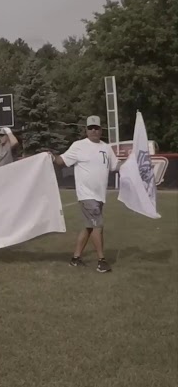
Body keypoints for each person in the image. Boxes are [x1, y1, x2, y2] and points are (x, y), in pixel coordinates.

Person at [51, 116, 118, 273]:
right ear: (86, 130)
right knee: (98, 226)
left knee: (89, 227)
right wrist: (51, 156)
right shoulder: (79, 146)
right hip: (86, 195)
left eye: (96, 128)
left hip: (100, 195)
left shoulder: (107, 148)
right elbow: (62, 161)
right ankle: (101, 261)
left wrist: (131, 162)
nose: (94, 130)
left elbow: (115, 166)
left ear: (101, 130)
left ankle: (75, 258)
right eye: (90, 128)